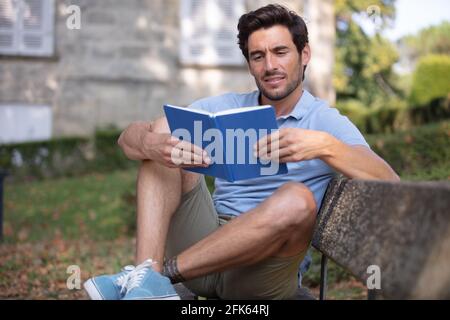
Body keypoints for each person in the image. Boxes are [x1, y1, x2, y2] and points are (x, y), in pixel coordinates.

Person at [83, 4, 400, 300]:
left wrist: (324, 145)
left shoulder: (325, 120)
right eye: (257, 56)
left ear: (304, 54)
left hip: (263, 270)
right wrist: (150, 144)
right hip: (206, 239)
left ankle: (156, 276)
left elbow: (389, 182)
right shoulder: (226, 106)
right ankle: (146, 280)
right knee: (164, 136)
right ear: (249, 63)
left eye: (280, 52)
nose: (270, 66)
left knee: (298, 199)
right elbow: (128, 139)